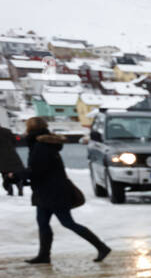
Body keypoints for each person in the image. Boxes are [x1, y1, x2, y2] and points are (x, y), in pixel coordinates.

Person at [18, 116, 111, 265]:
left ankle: (102, 247)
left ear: (30, 129)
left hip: (53, 192)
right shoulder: (42, 144)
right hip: (47, 191)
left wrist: (17, 174)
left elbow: (37, 170)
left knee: (67, 222)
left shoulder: (40, 146)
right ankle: (44, 255)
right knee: (43, 223)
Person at [0, 111, 23, 196]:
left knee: (5, 173)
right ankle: (20, 188)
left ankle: (10, 190)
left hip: (1, 157)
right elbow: (15, 140)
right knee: (16, 172)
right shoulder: (8, 131)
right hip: (12, 154)